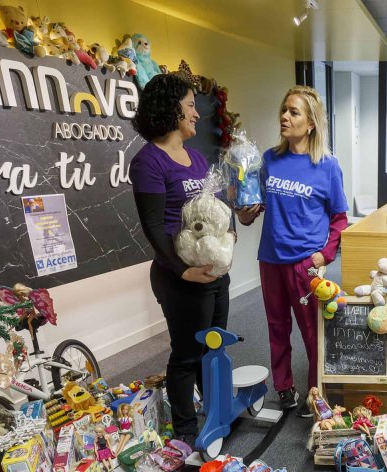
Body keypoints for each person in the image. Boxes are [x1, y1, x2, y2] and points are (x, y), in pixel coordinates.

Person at [129, 72, 232, 446]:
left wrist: (229, 237)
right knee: (187, 354)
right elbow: (155, 227)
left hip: (214, 273)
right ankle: (186, 432)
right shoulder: (148, 162)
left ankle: (217, 414)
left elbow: (214, 209)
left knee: (213, 345)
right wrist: (184, 270)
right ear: (172, 109)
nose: (196, 114)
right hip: (180, 277)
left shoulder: (196, 159)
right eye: (190, 105)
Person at [239, 86, 348, 415]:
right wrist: (244, 214)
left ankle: (315, 392)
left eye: (294, 112)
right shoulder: (269, 160)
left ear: (311, 122)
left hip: (305, 263)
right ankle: (284, 387)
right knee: (276, 327)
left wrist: (323, 255)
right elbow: (252, 208)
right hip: (270, 259)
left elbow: (339, 219)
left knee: (312, 332)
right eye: (284, 110)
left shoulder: (327, 166)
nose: (284, 117)